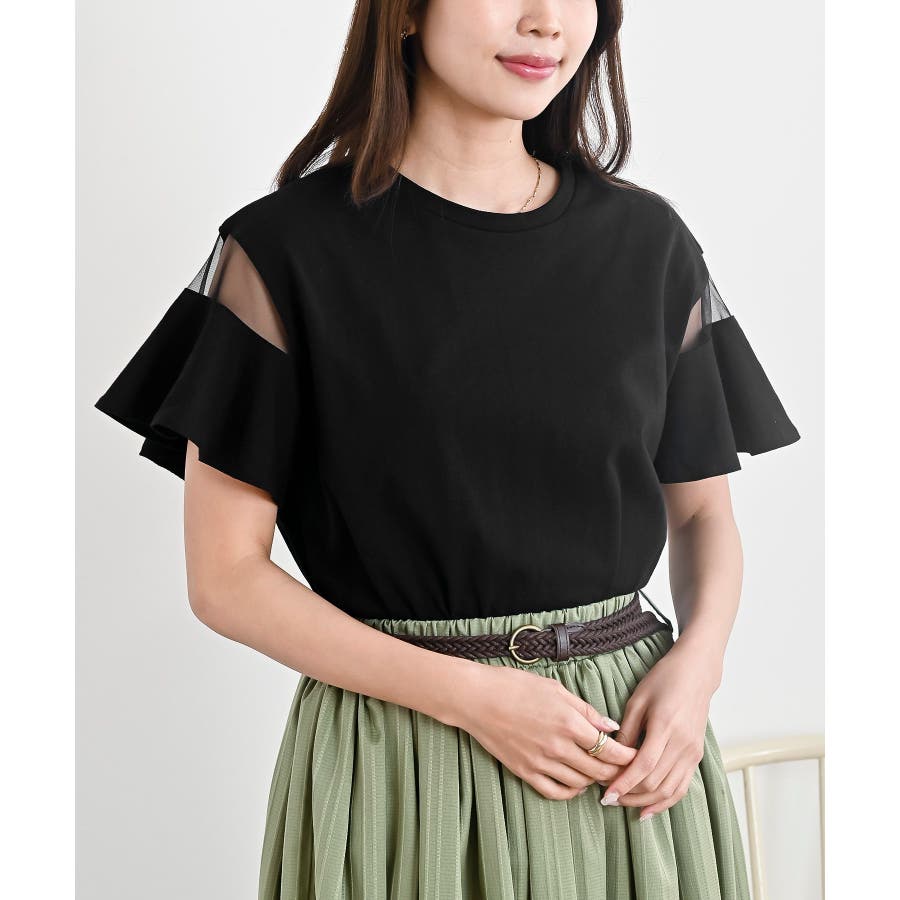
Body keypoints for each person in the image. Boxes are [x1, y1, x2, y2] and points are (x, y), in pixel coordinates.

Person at [94, 1, 801, 897]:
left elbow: (701, 515)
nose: (546, 20)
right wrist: (473, 699)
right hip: (404, 750)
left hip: (626, 754)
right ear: (403, 13)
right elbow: (225, 577)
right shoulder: (284, 250)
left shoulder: (648, 243)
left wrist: (698, 669)